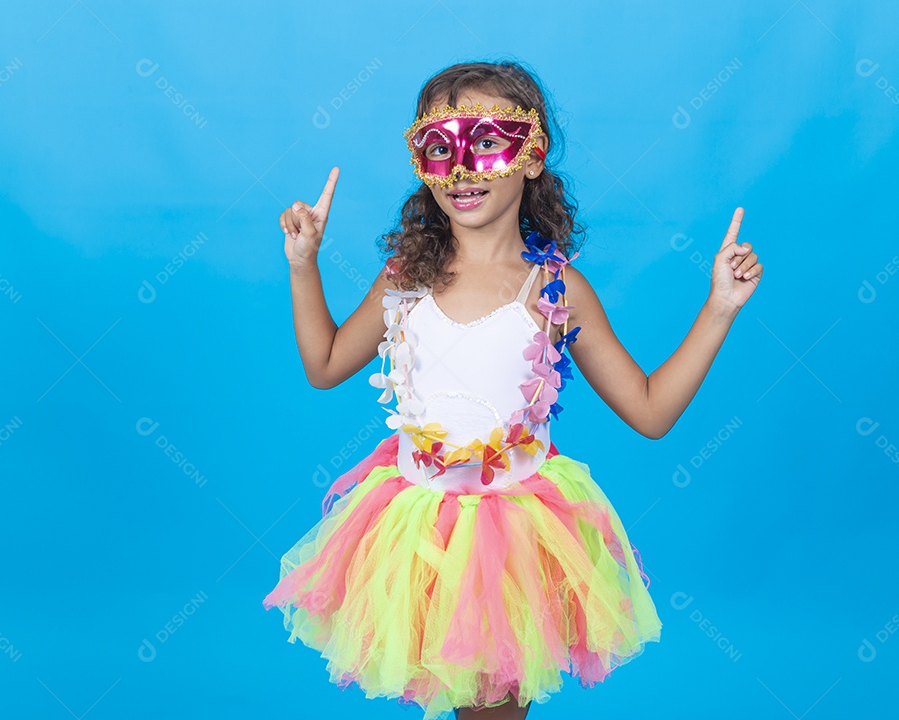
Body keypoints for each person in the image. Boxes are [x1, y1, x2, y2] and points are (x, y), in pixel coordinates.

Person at [264, 60, 762, 720]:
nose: (464, 169)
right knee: (444, 697)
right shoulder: (403, 279)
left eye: (487, 142)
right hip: (412, 532)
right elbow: (325, 364)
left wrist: (719, 308)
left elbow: (650, 410)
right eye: (441, 149)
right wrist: (304, 266)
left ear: (532, 156)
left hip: (511, 542)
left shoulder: (556, 292)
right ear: (422, 164)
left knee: (493, 706)